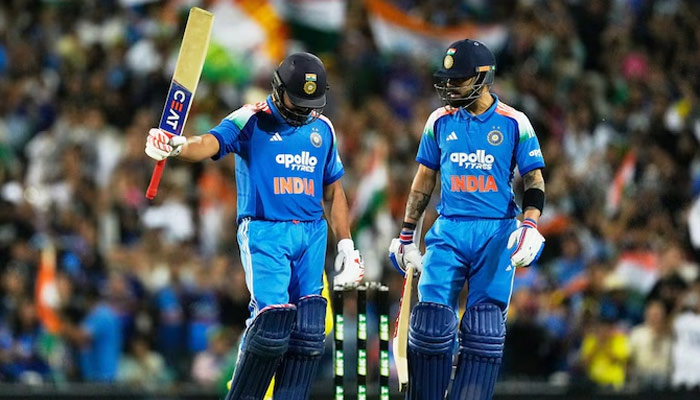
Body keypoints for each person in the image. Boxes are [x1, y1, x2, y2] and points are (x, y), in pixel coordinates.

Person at [144, 52, 364, 400]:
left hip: (312, 233)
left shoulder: (322, 128)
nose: (304, 110)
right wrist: (175, 146)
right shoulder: (251, 118)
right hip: (266, 232)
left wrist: (347, 246)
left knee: (310, 331)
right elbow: (208, 143)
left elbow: (333, 191)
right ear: (278, 89)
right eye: (297, 100)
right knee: (270, 326)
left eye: (310, 103)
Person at [389, 39, 546, 400]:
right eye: (447, 80)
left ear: (483, 77)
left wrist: (530, 225)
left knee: (484, 330)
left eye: (457, 80)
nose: (449, 88)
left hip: (497, 233)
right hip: (449, 229)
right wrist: (407, 235)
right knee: (429, 326)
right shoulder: (439, 120)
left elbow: (534, 179)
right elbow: (424, 180)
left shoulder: (514, 122)